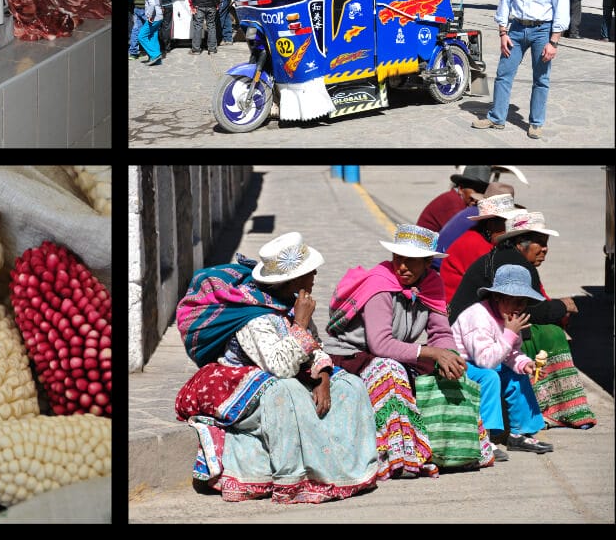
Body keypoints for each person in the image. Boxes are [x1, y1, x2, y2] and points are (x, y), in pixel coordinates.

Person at [174, 233, 379, 504]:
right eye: (309, 271)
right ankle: (296, 478)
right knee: (289, 392)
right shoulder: (254, 316)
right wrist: (301, 323)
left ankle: (350, 470)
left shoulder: (290, 304)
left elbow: (314, 346)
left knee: (351, 387)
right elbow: (279, 367)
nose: (315, 274)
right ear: (292, 281)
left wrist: (324, 376)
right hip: (246, 386)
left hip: (288, 373)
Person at [323, 224, 493, 479]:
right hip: (354, 354)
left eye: (411, 261)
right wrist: (433, 353)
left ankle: (458, 449)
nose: (402, 266)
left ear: (427, 263)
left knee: (450, 369)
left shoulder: (432, 284)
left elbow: (441, 332)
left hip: (397, 351)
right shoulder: (380, 286)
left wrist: (448, 355)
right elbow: (380, 344)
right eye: (398, 258)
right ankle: (399, 456)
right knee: (390, 371)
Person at [448, 211, 596, 431]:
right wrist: (562, 306)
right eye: (540, 242)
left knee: (520, 369)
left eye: (546, 243)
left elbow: (514, 344)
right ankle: (547, 411)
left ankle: (526, 428)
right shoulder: (510, 272)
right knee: (551, 335)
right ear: (520, 243)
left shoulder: (512, 271)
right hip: (469, 353)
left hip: (492, 338)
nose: (545, 249)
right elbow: (533, 313)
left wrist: (523, 363)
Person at [472, 0, 570, 139]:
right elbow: (505, 4)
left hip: (542, 31)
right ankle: (497, 118)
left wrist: (553, 42)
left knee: (541, 78)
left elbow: (562, 10)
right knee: (503, 74)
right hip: (516, 30)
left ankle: (536, 123)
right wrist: (503, 33)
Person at [451, 264, 555, 460]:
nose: (519, 307)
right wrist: (509, 333)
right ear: (497, 297)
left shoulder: (509, 319)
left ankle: (520, 434)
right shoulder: (478, 317)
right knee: (490, 377)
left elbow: (511, 353)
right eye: (514, 300)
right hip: (461, 364)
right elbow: (485, 361)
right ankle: (484, 437)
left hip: (488, 360)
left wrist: (524, 364)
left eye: (523, 302)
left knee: (519, 374)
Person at [439, 191, 521, 306]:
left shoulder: (486, 239)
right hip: (457, 307)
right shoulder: (475, 243)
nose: (512, 227)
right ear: (491, 224)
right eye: (507, 222)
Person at [432, 182, 519, 270]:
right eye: (506, 222)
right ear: (492, 222)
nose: (508, 228)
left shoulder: (478, 223)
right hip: (438, 267)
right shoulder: (478, 244)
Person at [416, 166, 491, 233]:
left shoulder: (461, 201)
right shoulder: (452, 202)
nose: (478, 197)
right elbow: (461, 233)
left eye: (482, 191)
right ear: (461, 189)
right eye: (476, 190)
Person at [138, 0, 163, 66]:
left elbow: (152, 4)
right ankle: (156, 59)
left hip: (154, 17)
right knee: (153, 36)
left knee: (141, 36)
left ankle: (155, 55)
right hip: (159, 16)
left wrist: (150, 16)